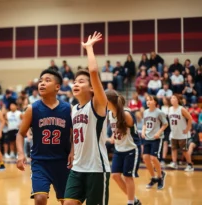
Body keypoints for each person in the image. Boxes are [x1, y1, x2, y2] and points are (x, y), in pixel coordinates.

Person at [63, 32, 110, 205]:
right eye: (75, 81)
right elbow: (77, 133)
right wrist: (73, 151)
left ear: (92, 88)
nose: (76, 84)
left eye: (81, 82)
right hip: (77, 167)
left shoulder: (98, 104)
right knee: (68, 203)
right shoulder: (73, 109)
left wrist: (89, 48)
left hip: (96, 169)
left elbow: (93, 71)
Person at [16, 68, 72, 205]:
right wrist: (20, 154)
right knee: (40, 198)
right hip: (40, 162)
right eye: (40, 81)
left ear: (57, 87)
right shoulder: (32, 109)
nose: (42, 83)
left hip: (63, 162)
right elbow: (20, 134)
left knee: (68, 202)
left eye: (47, 81)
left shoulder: (68, 108)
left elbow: (74, 134)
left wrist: (73, 151)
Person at [106, 90, 142, 205]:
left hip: (131, 148)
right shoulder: (110, 114)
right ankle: (134, 200)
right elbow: (116, 129)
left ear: (109, 101)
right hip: (119, 149)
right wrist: (111, 137)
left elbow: (130, 129)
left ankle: (130, 202)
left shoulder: (126, 114)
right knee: (115, 176)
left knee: (127, 177)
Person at [142, 95, 168, 190]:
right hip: (147, 137)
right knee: (145, 157)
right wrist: (143, 131)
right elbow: (145, 124)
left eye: (150, 100)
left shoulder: (159, 112)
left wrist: (159, 132)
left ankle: (160, 177)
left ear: (155, 102)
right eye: (147, 100)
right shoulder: (145, 112)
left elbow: (165, 124)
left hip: (156, 138)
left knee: (153, 158)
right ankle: (153, 178)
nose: (148, 102)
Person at [167, 95, 194, 171]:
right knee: (173, 149)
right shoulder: (170, 109)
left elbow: (190, 118)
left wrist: (187, 128)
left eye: (174, 98)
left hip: (182, 134)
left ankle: (190, 165)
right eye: (171, 98)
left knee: (184, 151)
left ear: (178, 100)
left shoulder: (181, 109)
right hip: (174, 133)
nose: (172, 99)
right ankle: (174, 163)